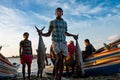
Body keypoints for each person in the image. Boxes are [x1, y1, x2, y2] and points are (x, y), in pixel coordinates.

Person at [38, 7, 78, 80]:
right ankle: (56, 75)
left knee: (62, 60)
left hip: (63, 42)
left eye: (60, 12)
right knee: (59, 57)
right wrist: (42, 34)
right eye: (57, 12)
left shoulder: (65, 23)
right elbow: (49, 33)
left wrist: (73, 35)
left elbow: (65, 33)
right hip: (55, 41)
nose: (58, 13)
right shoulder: (52, 22)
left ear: (62, 13)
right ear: (55, 13)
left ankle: (59, 76)